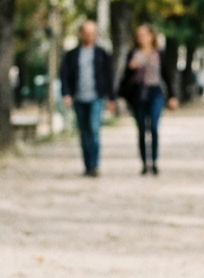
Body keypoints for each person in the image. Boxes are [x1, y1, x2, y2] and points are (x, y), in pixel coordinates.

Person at [119, 25, 177, 174]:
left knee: (154, 127)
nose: (142, 38)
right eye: (139, 35)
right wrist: (131, 68)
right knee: (141, 129)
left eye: (145, 34)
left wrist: (172, 96)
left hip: (155, 92)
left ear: (151, 36)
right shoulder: (133, 53)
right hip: (138, 94)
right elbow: (124, 78)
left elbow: (167, 76)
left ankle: (154, 161)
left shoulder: (159, 53)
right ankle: (145, 163)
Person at [60, 20, 115, 176]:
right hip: (78, 97)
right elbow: (64, 76)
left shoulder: (102, 54)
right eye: (86, 32)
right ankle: (87, 165)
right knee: (84, 132)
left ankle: (94, 165)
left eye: (92, 32)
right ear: (80, 34)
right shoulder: (71, 55)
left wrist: (111, 98)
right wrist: (66, 94)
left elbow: (109, 76)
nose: (90, 35)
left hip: (96, 97)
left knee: (94, 129)